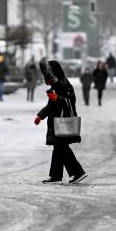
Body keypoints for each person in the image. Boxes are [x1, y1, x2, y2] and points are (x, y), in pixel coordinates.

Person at [34, 57, 87, 185]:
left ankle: (75, 172)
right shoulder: (55, 85)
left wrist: (57, 97)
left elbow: (70, 103)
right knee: (60, 149)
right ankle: (61, 175)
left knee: (61, 149)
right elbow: (50, 105)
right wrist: (40, 115)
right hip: (56, 123)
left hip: (63, 122)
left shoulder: (64, 84)